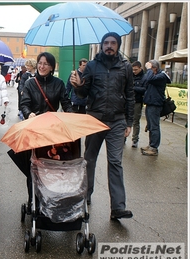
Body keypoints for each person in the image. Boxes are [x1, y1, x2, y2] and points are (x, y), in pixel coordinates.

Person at [70, 32, 134, 220]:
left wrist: (129, 122)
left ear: (118, 45)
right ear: (101, 45)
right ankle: (84, 197)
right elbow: (83, 94)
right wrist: (78, 85)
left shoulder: (125, 67)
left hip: (117, 120)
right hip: (95, 119)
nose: (109, 46)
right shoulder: (92, 65)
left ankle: (118, 208)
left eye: (113, 43)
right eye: (106, 43)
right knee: (89, 160)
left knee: (115, 162)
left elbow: (130, 95)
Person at [10, 52, 73, 208]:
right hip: (34, 128)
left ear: (52, 67)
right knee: (33, 165)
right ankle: (33, 200)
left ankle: (52, 199)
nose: (42, 66)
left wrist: (70, 115)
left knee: (52, 165)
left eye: (46, 64)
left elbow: (66, 102)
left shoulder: (59, 83)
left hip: (52, 129)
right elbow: (24, 104)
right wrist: (28, 113)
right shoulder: (30, 83)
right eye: (40, 63)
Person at [141, 60, 171, 156]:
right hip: (150, 103)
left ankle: (154, 148)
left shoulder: (161, 76)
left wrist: (149, 69)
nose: (148, 70)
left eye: (150, 68)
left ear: (155, 68)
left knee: (154, 126)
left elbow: (149, 79)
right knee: (150, 125)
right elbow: (145, 80)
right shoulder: (154, 76)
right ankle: (151, 145)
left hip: (155, 104)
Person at [131, 61, 147, 148]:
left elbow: (145, 89)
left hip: (137, 101)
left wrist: (134, 88)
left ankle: (135, 140)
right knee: (125, 120)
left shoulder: (144, 78)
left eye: (136, 70)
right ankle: (123, 138)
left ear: (140, 68)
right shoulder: (130, 76)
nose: (134, 71)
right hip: (128, 101)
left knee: (135, 121)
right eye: (133, 70)